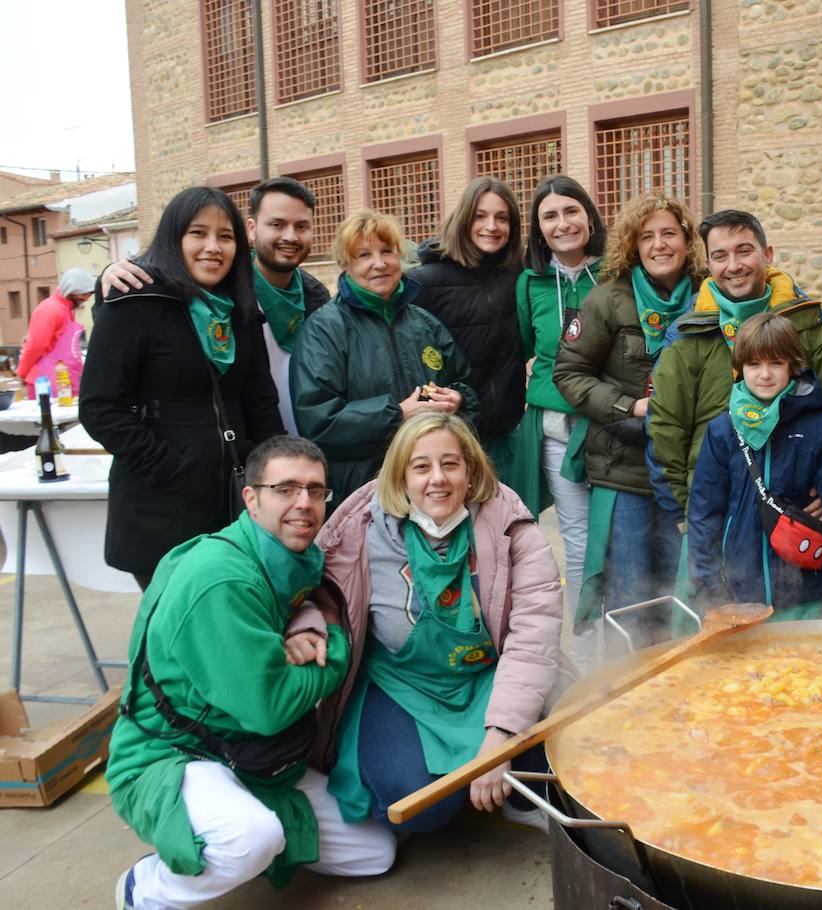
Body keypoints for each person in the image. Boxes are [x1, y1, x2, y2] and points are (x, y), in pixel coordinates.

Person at [108, 435, 395, 910]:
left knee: (376, 854)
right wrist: (336, 645)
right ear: (251, 497)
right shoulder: (222, 578)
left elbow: (300, 624)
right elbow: (271, 708)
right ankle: (148, 889)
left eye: (315, 490)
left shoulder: (282, 556)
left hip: (248, 754)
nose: (303, 503)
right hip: (173, 755)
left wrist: (305, 629)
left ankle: (251, 833)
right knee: (251, 839)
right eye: (285, 489)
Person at [283, 413, 565, 833]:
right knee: (418, 808)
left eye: (450, 464)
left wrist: (502, 735)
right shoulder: (358, 528)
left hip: (488, 675)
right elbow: (312, 590)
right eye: (421, 466)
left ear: (470, 470)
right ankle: (468, 778)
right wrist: (308, 626)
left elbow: (533, 637)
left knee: (575, 738)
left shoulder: (509, 526)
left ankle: (511, 786)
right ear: (399, 476)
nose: (438, 479)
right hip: (402, 684)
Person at [80, 186, 283, 588]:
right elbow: (100, 407)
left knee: (229, 626)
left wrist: (273, 479)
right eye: (198, 233)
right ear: (174, 239)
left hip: (233, 504)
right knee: (172, 637)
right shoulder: (136, 301)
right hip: (161, 506)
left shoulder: (241, 312)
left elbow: (260, 405)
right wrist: (169, 467)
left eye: (225, 237)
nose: (213, 247)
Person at [553, 195, 707, 659]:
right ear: (633, 246)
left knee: (685, 592)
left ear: (686, 240)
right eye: (648, 236)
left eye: (669, 234)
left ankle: (682, 692)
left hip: (689, 474)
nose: (659, 245)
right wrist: (628, 407)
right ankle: (626, 694)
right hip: (626, 470)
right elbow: (569, 372)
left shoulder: (709, 294)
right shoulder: (607, 298)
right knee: (631, 596)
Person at [648, 209, 822, 526]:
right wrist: (689, 511)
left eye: (744, 251)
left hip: (799, 512)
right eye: (720, 256)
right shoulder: (686, 337)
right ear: (708, 264)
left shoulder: (808, 325)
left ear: (767, 254)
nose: (733, 266)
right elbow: (665, 428)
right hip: (716, 514)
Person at [101, 177, 333, 434]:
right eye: (277, 224)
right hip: (230, 452)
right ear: (251, 229)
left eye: (301, 226)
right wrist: (109, 276)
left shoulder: (317, 298)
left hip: (298, 447)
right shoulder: (227, 295)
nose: (290, 236)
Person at [291, 210, 479, 508]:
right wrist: (396, 414)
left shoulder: (425, 323)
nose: (379, 264)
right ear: (346, 265)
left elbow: (463, 383)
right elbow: (318, 420)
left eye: (387, 251)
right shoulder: (324, 329)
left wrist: (458, 399)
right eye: (364, 255)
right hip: (363, 490)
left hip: (431, 486)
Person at [689, 312, 822, 620]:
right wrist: (709, 594)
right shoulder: (722, 431)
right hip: (739, 595)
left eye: (776, 363)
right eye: (754, 364)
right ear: (740, 367)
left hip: (808, 595)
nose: (765, 375)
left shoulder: (820, 430)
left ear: (792, 365)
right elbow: (704, 514)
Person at [513, 175, 607, 623]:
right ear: (538, 227)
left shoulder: (617, 274)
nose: (562, 222)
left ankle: (629, 635)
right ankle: (588, 650)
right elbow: (526, 345)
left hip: (612, 428)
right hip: (555, 430)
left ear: (589, 215)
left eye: (571, 210)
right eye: (550, 215)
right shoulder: (529, 283)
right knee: (577, 539)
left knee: (616, 538)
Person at [408, 177, 528, 477]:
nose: (492, 226)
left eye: (502, 218)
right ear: (464, 219)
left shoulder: (518, 276)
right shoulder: (425, 282)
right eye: (480, 215)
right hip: (451, 436)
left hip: (506, 435)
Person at [16, 267, 92, 397]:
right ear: (69, 290)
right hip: (47, 385)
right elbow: (35, 346)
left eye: (89, 293)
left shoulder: (66, 309)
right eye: (82, 293)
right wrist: (21, 373)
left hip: (64, 382)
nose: (86, 298)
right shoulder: (50, 309)